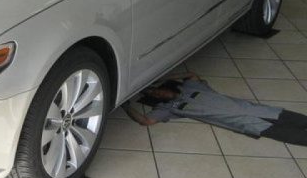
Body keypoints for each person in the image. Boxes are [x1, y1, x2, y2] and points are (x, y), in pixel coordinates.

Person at [124, 72, 307, 146]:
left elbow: (191, 74)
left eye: (158, 90)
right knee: (297, 137)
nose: (158, 94)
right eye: (154, 95)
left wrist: (159, 78)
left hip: (265, 111)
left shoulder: (192, 87)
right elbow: (145, 121)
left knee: (300, 120)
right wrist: (125, 106)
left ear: (167, 86)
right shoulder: (169, 109)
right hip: (249, 124)